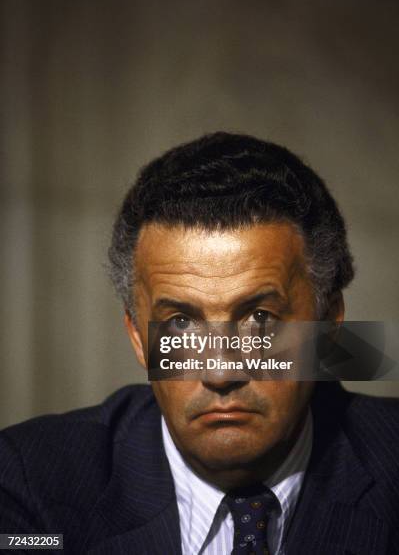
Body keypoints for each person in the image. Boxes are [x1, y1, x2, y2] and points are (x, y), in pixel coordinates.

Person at [0, 132, 398, 555]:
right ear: (138, 337)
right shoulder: (29, 483)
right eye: (181, 323)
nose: (220, 372)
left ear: (329, 326)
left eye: (259, 319)